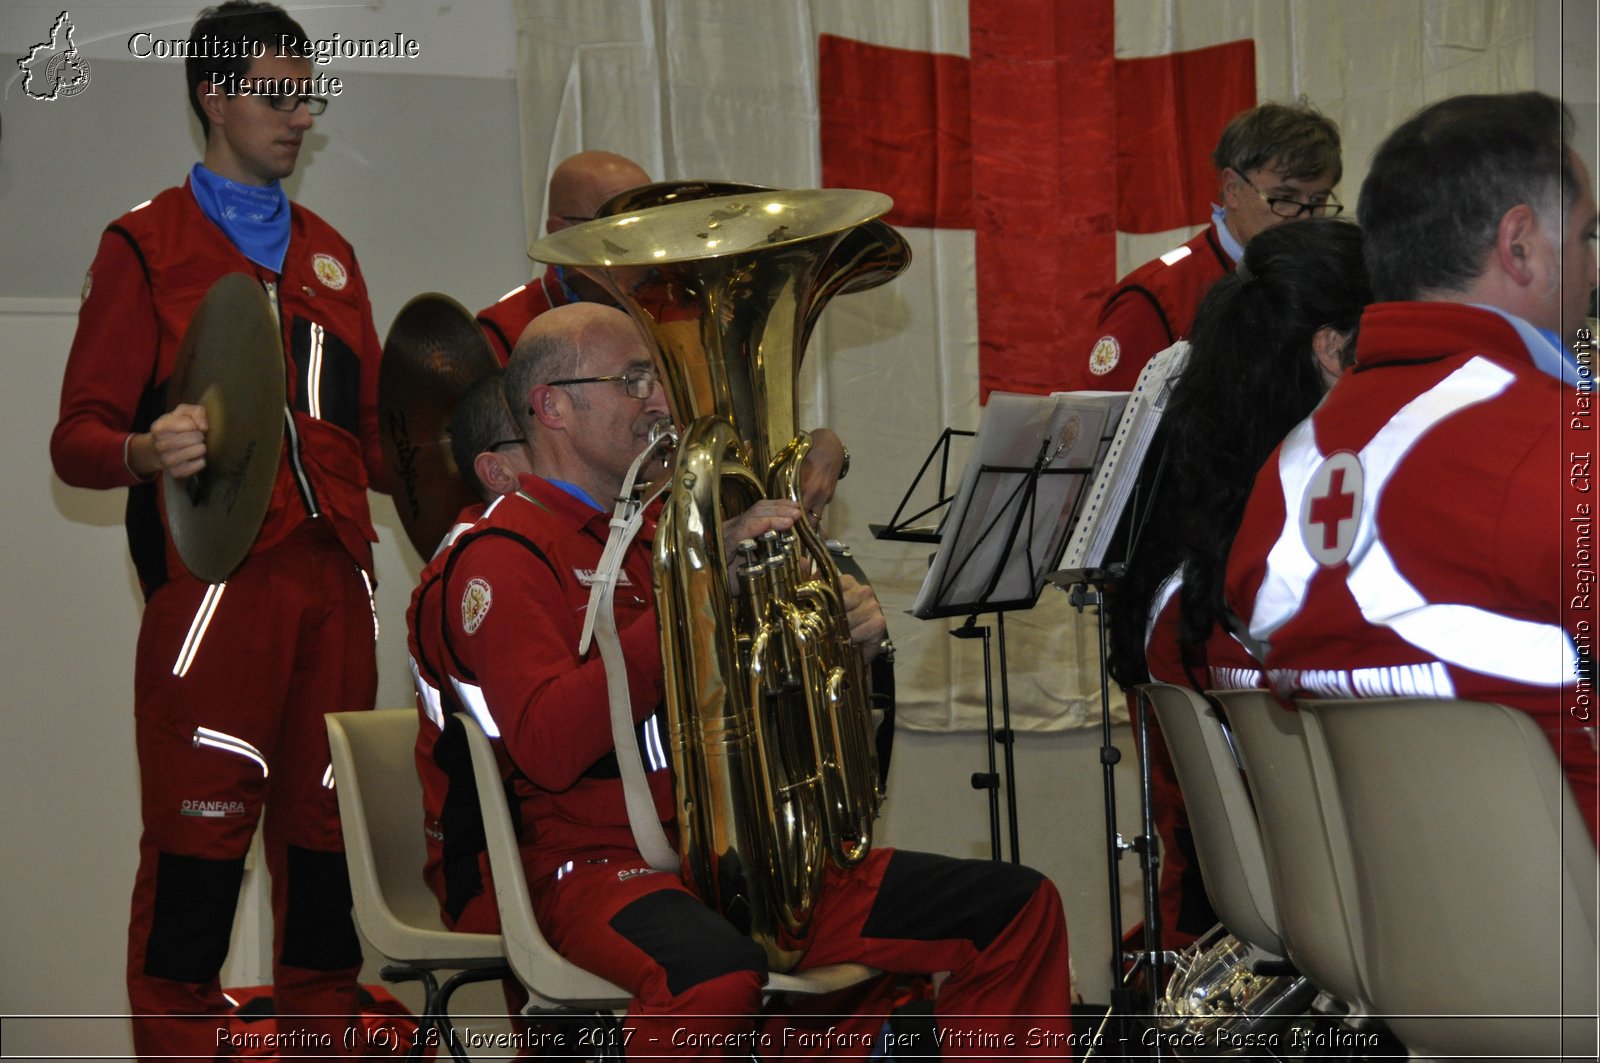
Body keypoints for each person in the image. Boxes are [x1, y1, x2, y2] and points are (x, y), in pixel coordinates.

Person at [425, 302, 1072, 1058]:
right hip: (591, 867)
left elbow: (741, 703)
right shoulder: (500, 555)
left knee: (1016, 908)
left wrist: (838, 640)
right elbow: (547, 743)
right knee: (712, 980)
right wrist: (691, 599)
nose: (660, 402)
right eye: (633, 380)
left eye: (655, 378)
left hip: (723, 853)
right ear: (553, 406)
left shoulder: (652, 534)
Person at [48, 3, 385, 1057]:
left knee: (328, 862)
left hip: (338, 587)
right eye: (277, 96)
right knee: (197, 862)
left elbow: (371, 437)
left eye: (308, 96)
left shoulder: (332, 257)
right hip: (215, 598)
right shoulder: (144, 246)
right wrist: (145, 451)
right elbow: (76, 439)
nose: (298, 118)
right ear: (214, 95)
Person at [1225, 91, 1600, 843]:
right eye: (1589, 235)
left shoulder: (1288, 467)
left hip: (1389, 941)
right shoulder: (1568, 447)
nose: (1594, 267)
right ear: (1520, 244)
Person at [1105, 218, 1373, 947]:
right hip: (1335, 916)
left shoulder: (1193, 533)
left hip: (1227, 910)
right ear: (1330, 351)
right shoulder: (1306, 547)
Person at [1066, 101, 1343, 392]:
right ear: (1232, 188)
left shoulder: (1331, 285)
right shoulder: (1156, 298)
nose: (1305, 218)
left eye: (1317, 201)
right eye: (1284, 197)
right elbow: (1103, 430)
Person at [476, 150, 652, 363]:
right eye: (616, 224)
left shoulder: (681, 307)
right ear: (560, 233)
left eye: (648, 221)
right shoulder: (500, 331)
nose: (641, 239)